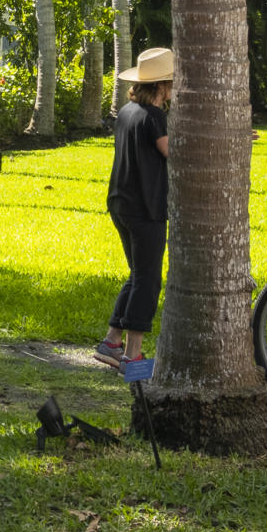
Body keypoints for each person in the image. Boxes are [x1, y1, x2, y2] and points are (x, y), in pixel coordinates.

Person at [101, 48, 176, 364]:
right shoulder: (154, 116)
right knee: (149, 279)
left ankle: (111, 343)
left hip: (121, 202)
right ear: (160, 86)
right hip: (146, 206)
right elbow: (173, 152)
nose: (173, 88)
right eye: (170, 82)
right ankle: (132, 355)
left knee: (138, 273)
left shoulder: (127, 111)